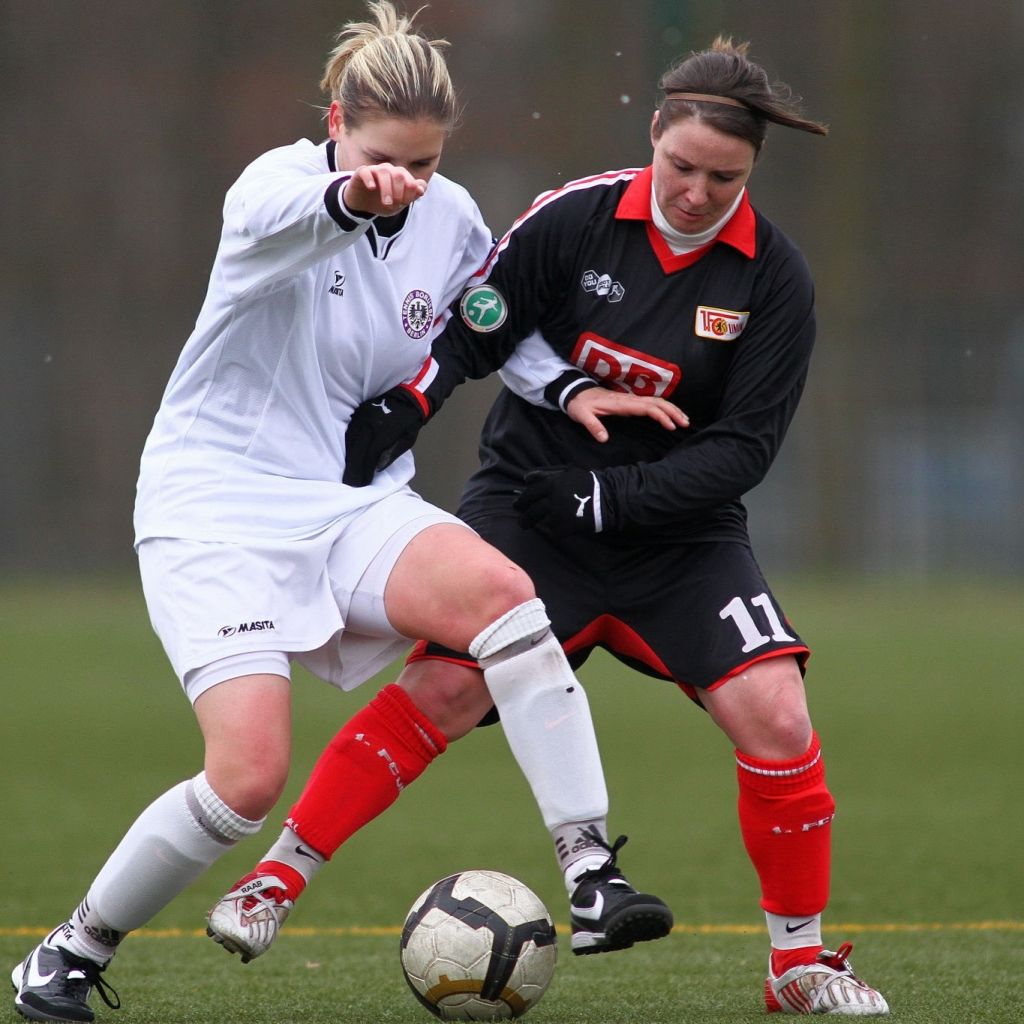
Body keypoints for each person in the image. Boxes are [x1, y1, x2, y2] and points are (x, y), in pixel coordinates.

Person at [10, 5, 675, 1022]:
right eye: (382, 159)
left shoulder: (451, 215)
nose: (404, 180)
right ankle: (72, 947)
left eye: (423, 162)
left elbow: (486, 320)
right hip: (214, 506)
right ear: (335, 123)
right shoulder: (274, 186)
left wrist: (569, 386)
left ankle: (589, 869)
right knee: (245, 779)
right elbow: (285, 216)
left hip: (349, 499)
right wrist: (349, 193)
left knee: (505, 597)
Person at [227, 36, 891, 1016]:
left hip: (682, 540)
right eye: (681, 166)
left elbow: (743, 451)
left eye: (724, 178)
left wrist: (613, 500)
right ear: (653, 134)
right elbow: (478, 324)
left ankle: (797, 966)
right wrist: (415, 403)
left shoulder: (773, 277)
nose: (697, 193)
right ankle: (272, 882)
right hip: (530, 510)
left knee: (779, 713)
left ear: (751, 172)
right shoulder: (575, 217)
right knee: (443, 688)